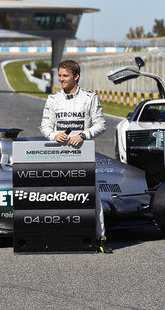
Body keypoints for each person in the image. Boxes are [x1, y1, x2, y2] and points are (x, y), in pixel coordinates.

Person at [39, 59, 112, 253]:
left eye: (65, 76)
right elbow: (45, 126)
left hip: (84, 155)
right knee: (57, 197)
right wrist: (54, 134)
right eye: (60, 75)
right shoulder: (53, 99)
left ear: (76, 76)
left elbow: (101, 124)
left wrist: (83, 135)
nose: (61, 79)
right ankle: (57, 238)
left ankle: (101, 238)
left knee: (93, 197)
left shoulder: (90, 97)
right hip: (58, 155)